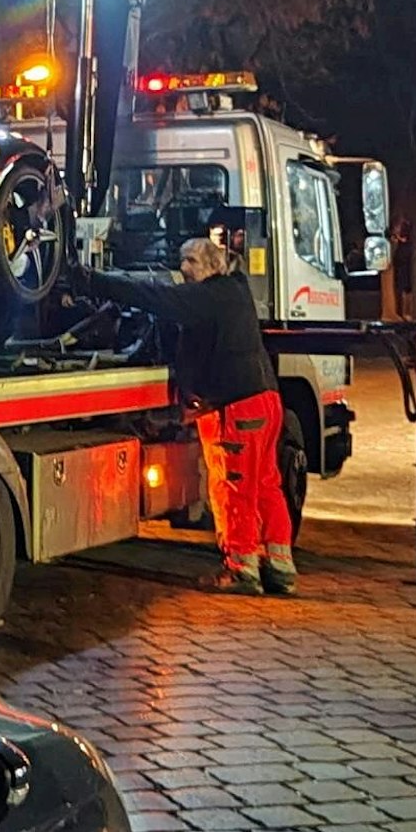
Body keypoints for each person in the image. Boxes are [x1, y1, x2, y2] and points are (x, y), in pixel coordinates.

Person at [68, 237, 296, 595]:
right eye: (181, 260)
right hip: (264, 401)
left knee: (232, 486)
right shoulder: (236, 292)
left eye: (191, 261)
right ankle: (280, 567)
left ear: (213, 265)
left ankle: (240, 569)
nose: (184, 269)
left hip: (234, 408)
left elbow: (157, 300)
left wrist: (94, 280)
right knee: (265, 484)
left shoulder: (208, 297)